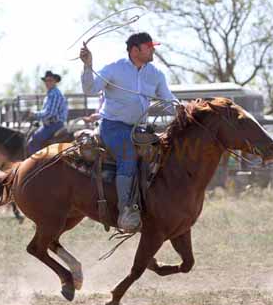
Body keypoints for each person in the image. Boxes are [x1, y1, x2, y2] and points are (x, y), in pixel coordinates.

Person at [80, 32, 176, 232]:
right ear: (135, 50)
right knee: (128, 155)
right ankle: (125, 211)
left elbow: (168, 100)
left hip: (138, 128)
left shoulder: (156, 74)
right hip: (113, 125)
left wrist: (184, 108)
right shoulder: (115, 69)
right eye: (149, 47)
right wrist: (88, 65)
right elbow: (90, 89)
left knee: (163, 154)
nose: (153, 50)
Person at [27, 71, 68, 155]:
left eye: (50, 80)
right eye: (46, 81)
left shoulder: (55, 94)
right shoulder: (51, 94)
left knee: (34, 140)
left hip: (54, 124)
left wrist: (35, 114)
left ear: (55, 82)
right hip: (50, 124)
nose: (47, 83)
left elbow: (50, 113)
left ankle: (35, 165)